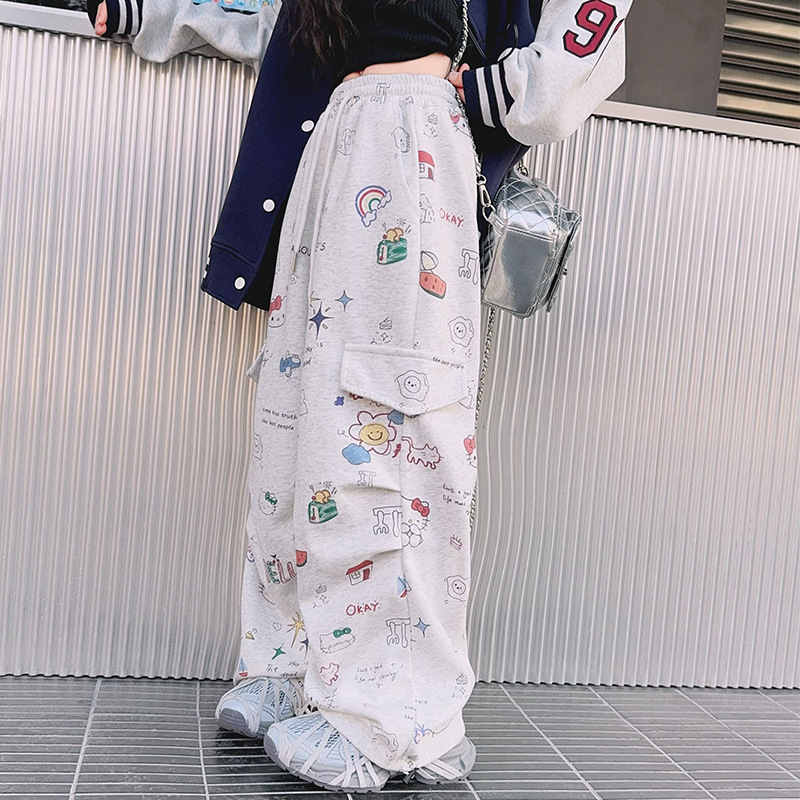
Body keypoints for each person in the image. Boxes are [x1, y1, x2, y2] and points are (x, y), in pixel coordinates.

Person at [89, 0, 632, 792]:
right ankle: (296, 667)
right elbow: (264, 13)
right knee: (297, 431)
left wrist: (488, 91)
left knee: (394, 432)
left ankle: (400, 717)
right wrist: (147, 12)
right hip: (334, 138)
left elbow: (583, 40)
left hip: (417, 136)